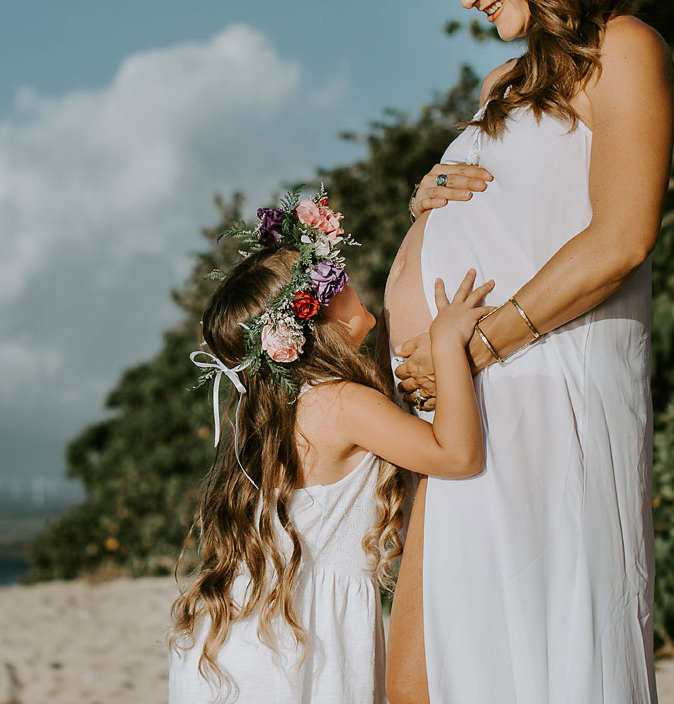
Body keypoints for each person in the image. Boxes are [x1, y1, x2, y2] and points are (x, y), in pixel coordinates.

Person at [372, 0, 674, 702]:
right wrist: (424, 208)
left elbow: (622, 236)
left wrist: (475, 345)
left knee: (536, 661)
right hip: (468, 399)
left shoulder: (624, 49)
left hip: (545, 385)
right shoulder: (504, 81)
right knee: (418, 682)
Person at [168, 188, 494, 703]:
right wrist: (450, 342)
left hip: (256, 627)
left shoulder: (285, 411)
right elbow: (458, 456)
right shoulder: (340, 403)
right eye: (327, 279)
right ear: (311, 319)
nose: (342, 274)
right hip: (303, 633)